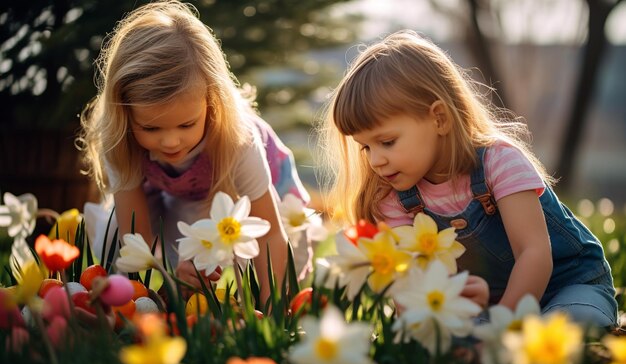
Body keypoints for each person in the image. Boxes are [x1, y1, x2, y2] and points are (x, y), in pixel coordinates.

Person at [317, 30, 618, 328]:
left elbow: (534, 253)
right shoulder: (394, 197)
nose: (375, 160)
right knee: (452, 338)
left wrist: (503, 329)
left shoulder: (499, 162)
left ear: (439, 118)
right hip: (490, 302)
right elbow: (412, 287)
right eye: (366, 147)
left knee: (576, 323)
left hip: (568, 285)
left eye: (388, 142)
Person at [78, 0, 309, 305]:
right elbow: (135, 236)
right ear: (125, 115)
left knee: (264, 265)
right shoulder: (120, 139)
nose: (171, 142)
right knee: (114, 237)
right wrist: (157, 287)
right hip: (176, 192)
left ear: (212, 102)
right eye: (151, 129)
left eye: (186, 124)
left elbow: (270, 235)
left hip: (260, 199)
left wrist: (273, 310)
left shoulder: (237, 139)